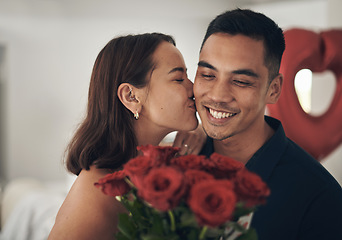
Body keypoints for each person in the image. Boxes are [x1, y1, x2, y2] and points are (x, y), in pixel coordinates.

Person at [194, 8, 342, 240]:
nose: (218, 95)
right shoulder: (173, 167)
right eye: (207, 75)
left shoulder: (319, 196)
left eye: (241, 81)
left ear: (273, 90)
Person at [48, 33, 205, 239]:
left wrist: (203, 129)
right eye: (178, 79)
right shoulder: (97, 194)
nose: (193, 87)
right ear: (131, 96)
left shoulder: (148, 169)